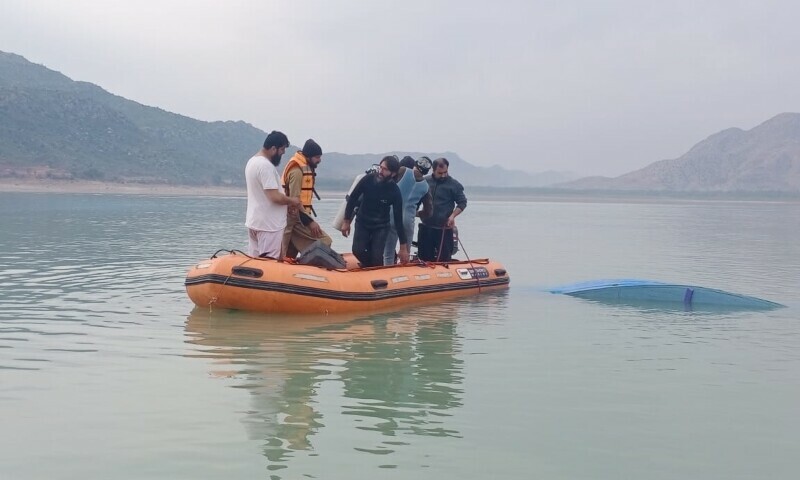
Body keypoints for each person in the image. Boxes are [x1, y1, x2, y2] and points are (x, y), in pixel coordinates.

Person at [341, 156, 409, 267]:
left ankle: (375, 270)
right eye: (380, 167)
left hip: (381, 226)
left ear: (393, 173)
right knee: (358, 251)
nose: (380, 171)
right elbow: (353, 198)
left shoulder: (395, 192)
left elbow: (398, 220)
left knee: (376, 257)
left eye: (385, 169)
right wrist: (346, 221)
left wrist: (403, 246)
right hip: (363, 222)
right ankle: (371, 269)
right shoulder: (368, 179)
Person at [244, 130, 302, 258]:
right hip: (268, 226)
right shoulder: (265, 166)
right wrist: (293, 201)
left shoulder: (252, 162)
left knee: (255, 262)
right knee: (268, 264)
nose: (282, 154)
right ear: (273, 148)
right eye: (281, 150)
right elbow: (274, 197)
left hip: (254, 221)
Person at [280, 138, 332, 258]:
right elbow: (295, 201)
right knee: (325, 241)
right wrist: (310, 222)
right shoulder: (297, 171)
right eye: (317, 157)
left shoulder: (302, 167)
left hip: (298, 217)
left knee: (290, 252)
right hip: (295, 218)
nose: (319, 160)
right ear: (308, 156)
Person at [383, 156, 431, 265]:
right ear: (427, 171)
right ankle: (404, 277)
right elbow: (428, 212)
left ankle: (387, 275)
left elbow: (386, 183)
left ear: (415, 164)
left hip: (392, 217)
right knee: (406, 254)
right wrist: (416, 213)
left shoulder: (403, 170)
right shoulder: (426, 187)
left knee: (388, 253)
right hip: (408, 221)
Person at [417, 157, 467, 262]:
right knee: (424, 258)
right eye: (440, 173)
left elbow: (462, 203)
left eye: (446, 172)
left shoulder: (454, 185)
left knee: (444, 259)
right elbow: (416, 200)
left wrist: (452, 216)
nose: (443, 175)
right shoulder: (424, 182)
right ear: (433, 170)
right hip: (426, 227)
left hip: (444, 229)